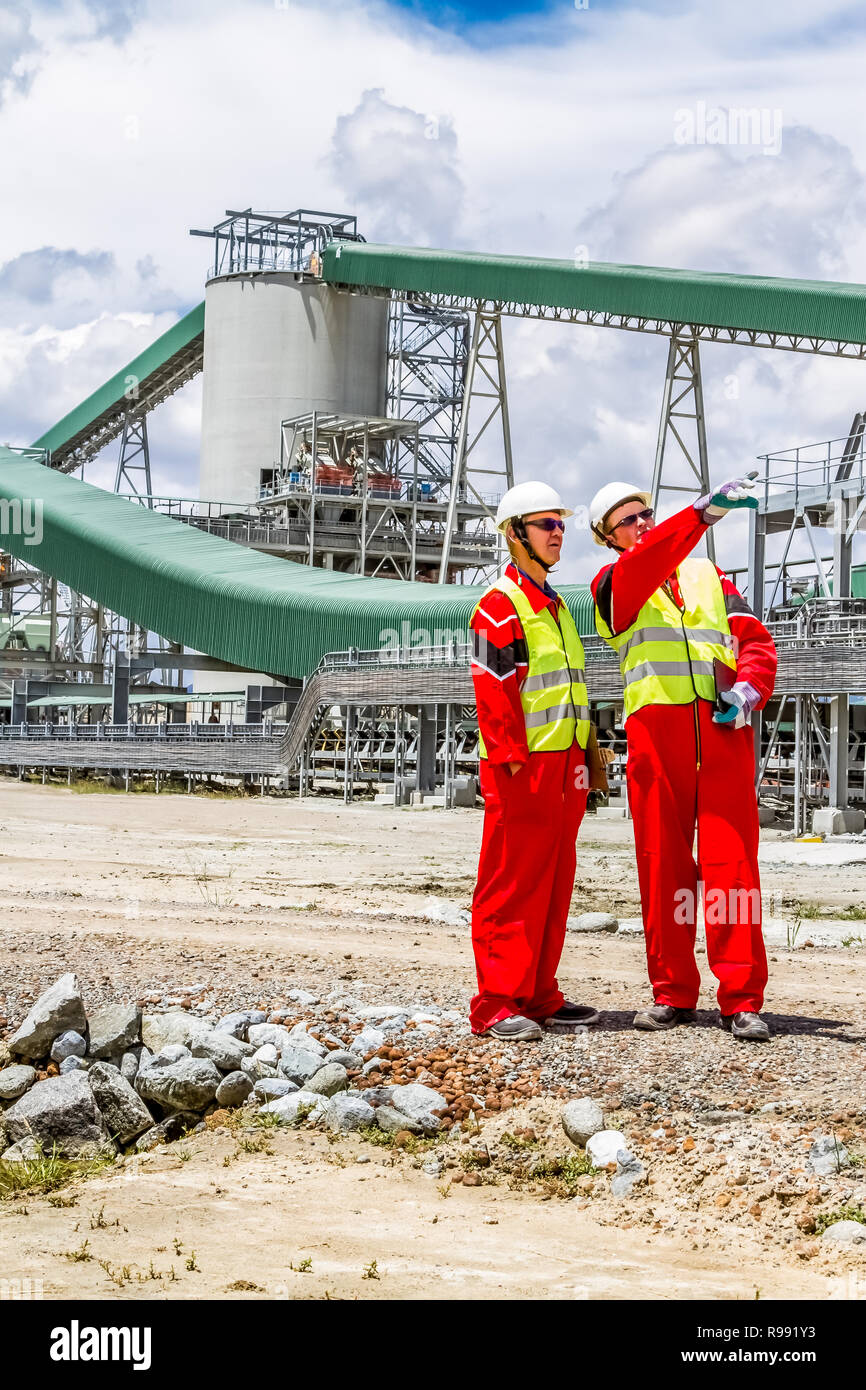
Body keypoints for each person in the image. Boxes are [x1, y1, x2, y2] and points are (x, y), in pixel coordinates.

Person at [589, 477, 778, 1041]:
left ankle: (741, 998)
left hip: (722, 735)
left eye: (646, 513)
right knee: (664, 866)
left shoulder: (710, 577)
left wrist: (749, 690)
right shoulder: (612, 584)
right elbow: (644, 565)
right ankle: (672, 992)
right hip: (658, 738)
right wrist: (700, 515)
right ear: (607, 537)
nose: (642, 524)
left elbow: (753, 640)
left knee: (732, 869)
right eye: (627, 520)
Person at [469, 481, 604, 1041]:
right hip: (521, 766)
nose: (558, 533)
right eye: (546, 524)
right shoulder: (499, 605)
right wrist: (511, 759)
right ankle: (496, 1003)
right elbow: (492, 687)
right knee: (511, 884)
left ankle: (539, 994)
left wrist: (587, 756)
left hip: (564, 764)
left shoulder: (556, 606)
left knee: (552, 883)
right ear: (514, 534)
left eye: (561, 524)